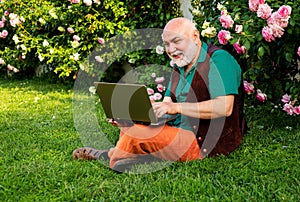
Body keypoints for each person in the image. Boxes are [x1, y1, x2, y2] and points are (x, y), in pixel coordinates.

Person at [73, 17, 246, 172]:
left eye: (176, 41)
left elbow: (224, 107)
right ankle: (134, 154)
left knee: (135, 134)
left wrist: (175, 107)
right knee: (130, 126)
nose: (171, 49)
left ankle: (111, 155)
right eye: (166, 44)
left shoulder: (219, 60)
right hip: (176, 130)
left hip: (202, 141)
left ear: (195, 36)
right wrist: (134, 115)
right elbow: (166, 105)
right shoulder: (180, 66)